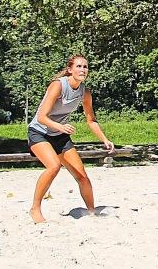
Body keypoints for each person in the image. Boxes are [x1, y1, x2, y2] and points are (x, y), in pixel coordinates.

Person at [27, 54, 113, 224]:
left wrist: (104, 139)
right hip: (39, 132)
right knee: (54, 166)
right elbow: (42, 116)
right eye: (79, 66)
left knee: (82, 176)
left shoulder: (85, 93)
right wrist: (61, 127)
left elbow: (91, 120)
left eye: (85, 67)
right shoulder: (58, 86)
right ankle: (35, 208)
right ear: (70, 70)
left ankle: (91, 212)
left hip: (59, 135)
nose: (83, 70)